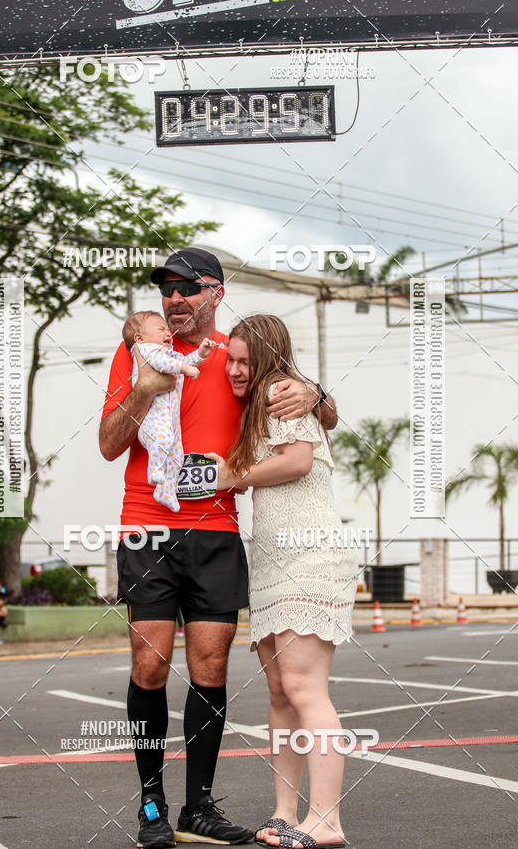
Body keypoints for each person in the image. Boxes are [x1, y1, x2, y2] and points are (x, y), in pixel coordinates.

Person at [99, 247, 338, 849]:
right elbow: (108, 443)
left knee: (210, 665)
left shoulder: (238, 356)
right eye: (166, 289)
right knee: (149, 664)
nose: (174, 298)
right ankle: (151, 804)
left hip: (217, 530)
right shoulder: (138, 351)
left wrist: (316, 392)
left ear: (215, 293)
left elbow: (319, 414)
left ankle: (198, 808)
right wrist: (145, 388)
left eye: (187, 287)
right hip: (147, 525)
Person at [207, 315, 359, 849]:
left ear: (269, 360)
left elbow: (296, 461)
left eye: (245, 361)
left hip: (310, 556)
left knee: (302, 687)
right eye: (231, 360)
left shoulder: (282, 392)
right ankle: (285, 812)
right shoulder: (265, 401)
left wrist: (232, 475)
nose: (235, 370)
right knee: (279, 692)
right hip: (273, 562)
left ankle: (327, 821)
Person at [122, 309, 217, 511]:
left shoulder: (169, 354)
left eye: (167, 330)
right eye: (161, 329)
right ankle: (155, 469)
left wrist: (200, 354)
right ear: (139, 338)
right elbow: (163, 364)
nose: (168, 333)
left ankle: (166, 491)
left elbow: (182, 361)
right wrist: (185, 370)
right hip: (153, 422)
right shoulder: (144, 351)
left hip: (169, 419)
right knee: (163, 440)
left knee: (177, 456)